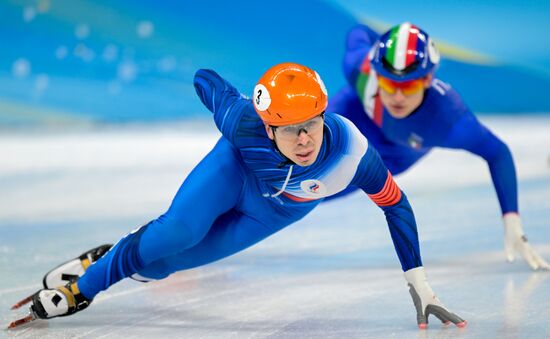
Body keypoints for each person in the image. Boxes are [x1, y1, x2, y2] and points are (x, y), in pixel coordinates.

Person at [18, 63, 465, 329]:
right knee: (179, 230)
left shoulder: (353, 154)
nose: (305, 139)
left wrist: (420, 284)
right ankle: (85, 287)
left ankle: (110, 254)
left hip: (275, 212)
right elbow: (205, 80)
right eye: (290, 130)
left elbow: (396, 206)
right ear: (268, 126)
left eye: (311, 123)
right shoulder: (243, 123)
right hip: (233, 170)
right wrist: (226, 96)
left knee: (166, 263)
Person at [327, 22, 549, 270]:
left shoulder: (450, 119)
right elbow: (358, 31)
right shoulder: (359, 67)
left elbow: (497, 153)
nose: (398, 97)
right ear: (377, 75)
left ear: (427, 79)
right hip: (357, 113)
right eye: (389, 84)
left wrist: (512, 218)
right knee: (306, 162)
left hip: (397, 153)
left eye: (408, 85)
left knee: (319, 190)